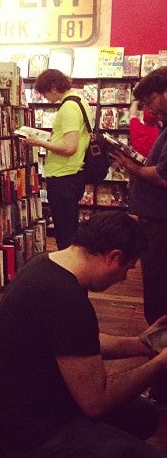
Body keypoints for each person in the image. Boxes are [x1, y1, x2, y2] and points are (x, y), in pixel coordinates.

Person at [0, 211, 167, 457]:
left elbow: (76, 342)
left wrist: (138, 345)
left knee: (144, 415)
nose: (124, 278)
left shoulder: (48, 265)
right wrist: (160, 363)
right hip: (35, 434)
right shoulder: (66, 298)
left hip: (25, 412)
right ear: (113, 257)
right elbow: (96, 401)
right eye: (127, 268)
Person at [112, 67, 167, 406]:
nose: (153, 110)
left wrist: (131, 168)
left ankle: (162, 387)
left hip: (162, 225)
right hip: (157, 222)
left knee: (159, 300)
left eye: (154, 101)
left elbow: (164, 176)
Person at [25, 69, 90, 249]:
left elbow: (69, 147)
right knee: (69, 227)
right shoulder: (80, 101)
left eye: (45, 92)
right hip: (72, 173)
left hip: (63, 176)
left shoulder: (68, 108)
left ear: (53, 87)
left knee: (65, 232)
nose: (45, 98)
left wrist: (38, 142)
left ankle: (68, 272)